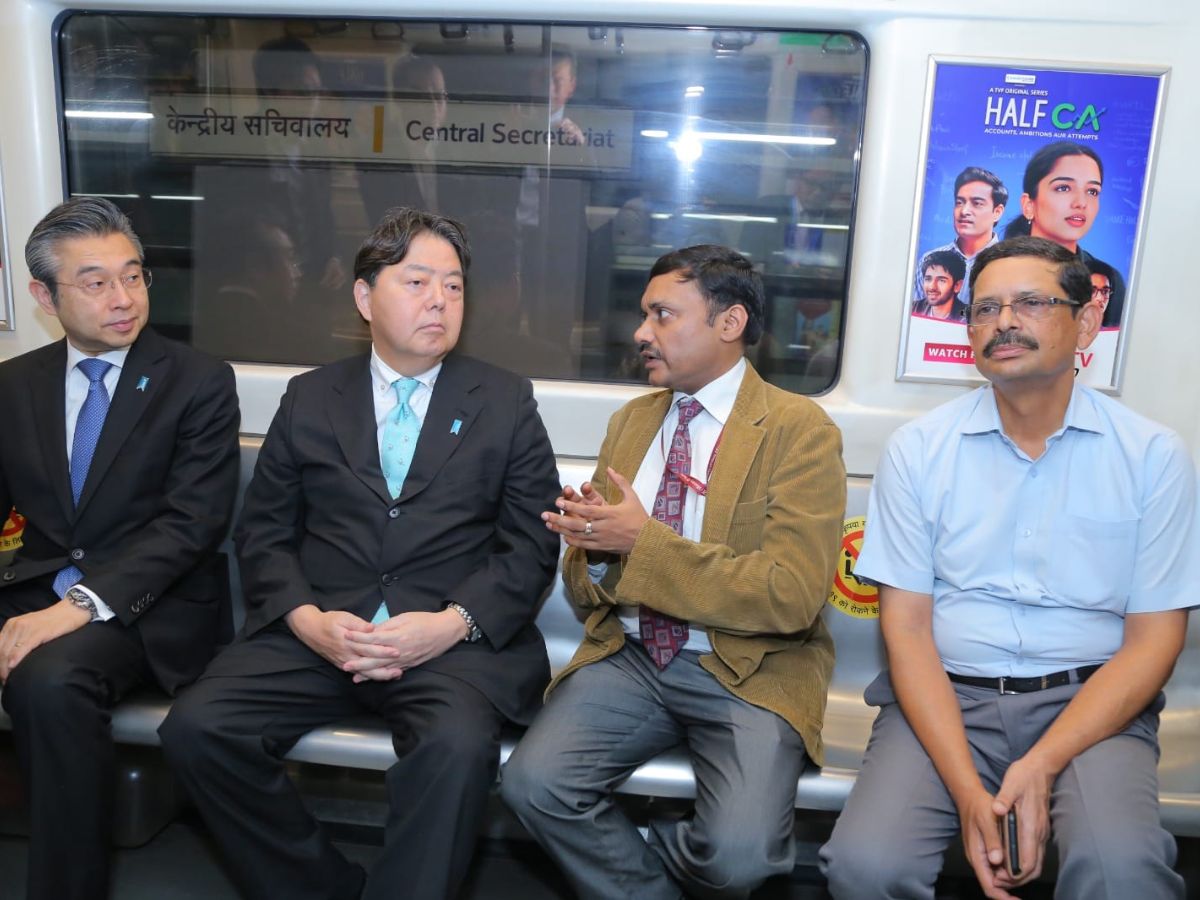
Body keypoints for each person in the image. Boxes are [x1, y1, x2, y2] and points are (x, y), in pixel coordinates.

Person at [160, 207, 561, 900]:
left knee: (456, 750)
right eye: (417, 282)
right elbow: (263, 533)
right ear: (364, 296)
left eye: (455, 285)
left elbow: (530, 543)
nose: (440, 300)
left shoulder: (503, 402)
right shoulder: (311, 397)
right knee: (197, 729)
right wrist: (305, 618)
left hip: (446, 642)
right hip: (324, 632)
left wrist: (450, 623)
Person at [820, 236, 1195, 900]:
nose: (1003, 323)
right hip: (945, 696)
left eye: (1029, 302)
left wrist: (1042, 764)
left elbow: (1155, 642)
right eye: (985, 309)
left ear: (1084, 321)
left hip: (1092, 702)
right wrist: (970, 793)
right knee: (866, 868)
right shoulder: (919, 451)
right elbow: (905, 632)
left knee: (1123, 873)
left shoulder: (1152, 457)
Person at [502, 244, 846, 899]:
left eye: (663, 315)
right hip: (633, 655)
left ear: (730, 323)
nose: (640, 333)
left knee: (739, 858)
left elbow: (792, 596)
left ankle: (660, 852)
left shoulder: (798, 430)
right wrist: (596, 552)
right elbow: (584, 584)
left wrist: (640, 543)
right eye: (643, 315)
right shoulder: (632, 423)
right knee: (534, 786)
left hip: (749, 666)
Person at [0, 196, 240, 900]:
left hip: (147, 605)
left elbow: (191, 526)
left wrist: (75, 605)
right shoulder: (15, 385)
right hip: (34, 587)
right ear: (45, 296)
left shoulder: (197, 382)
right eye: (96, 281)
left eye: (132, 276)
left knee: (49, 678)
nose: (122, 297)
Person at [1002, 141, 1126, 326]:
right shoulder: (996, 269)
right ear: (1029, 205)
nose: (1081, 203)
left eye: (1092, 191)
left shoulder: (1107, 278)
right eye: (1063, 188)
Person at [915, 166, 1007, 305]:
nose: (964, 211)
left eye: (977, 203)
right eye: (959, 202)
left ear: (997, 212)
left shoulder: (1010, 264)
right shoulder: (929, 260)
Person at [912, 249, 967, 320]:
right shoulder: (913, 308)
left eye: (941, 280)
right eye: (928, 279)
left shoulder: (966, 316)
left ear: (957, 285)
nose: (932, 287)